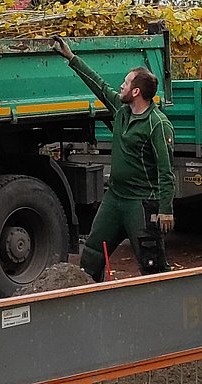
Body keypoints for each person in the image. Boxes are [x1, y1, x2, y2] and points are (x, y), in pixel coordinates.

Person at [52, 37, 176, 282]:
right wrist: (71, 57)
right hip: (115, 198)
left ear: (136, 91)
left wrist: (166, 210)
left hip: (140, 203)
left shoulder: (158, 124)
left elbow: (166, 171)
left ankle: (161, 306)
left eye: (126, 83)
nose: (121, 86)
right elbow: (98, 84)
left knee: (151, 264)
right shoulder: (121, 110)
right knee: (92, 254)